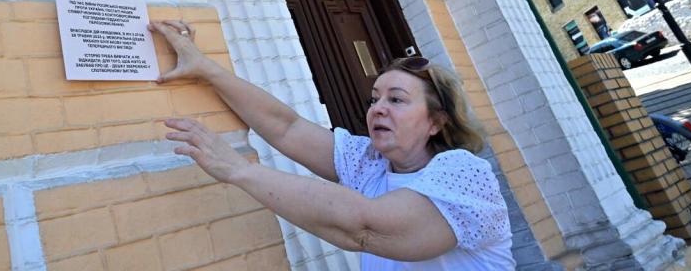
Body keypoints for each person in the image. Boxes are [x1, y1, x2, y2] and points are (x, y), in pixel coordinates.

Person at [150, 20, 514, 269]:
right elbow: (285, 127)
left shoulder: (465, 173)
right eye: (374, 99)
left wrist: (238, 170)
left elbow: (365, 227)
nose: (377, 109)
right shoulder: (370, 161)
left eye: (397, 100)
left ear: (437, 121)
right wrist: (205, 69)